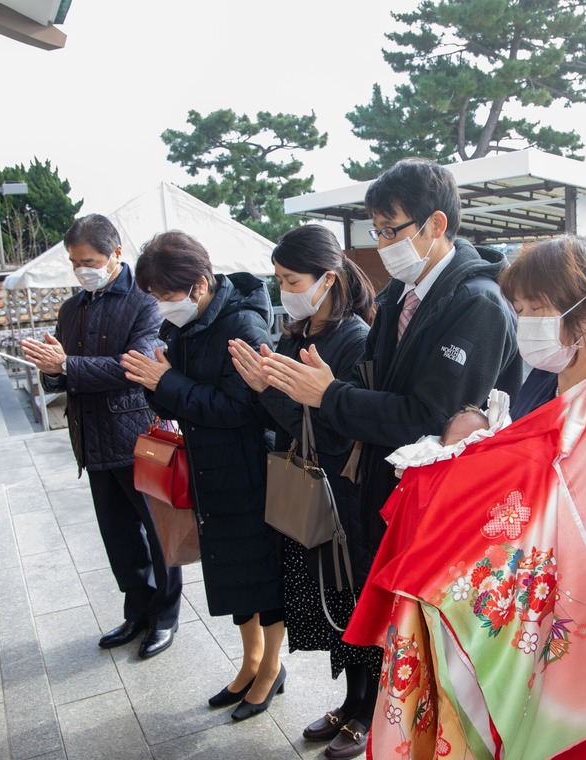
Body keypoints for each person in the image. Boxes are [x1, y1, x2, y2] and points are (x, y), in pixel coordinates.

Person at [345, 235, 586, 759]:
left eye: (537, 308)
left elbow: (582, 527)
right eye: (519, 309)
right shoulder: (552, 380)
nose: (524, 322)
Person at [260, 157, 522, 758]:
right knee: (367, 602)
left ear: (435, 224)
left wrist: (329, 395)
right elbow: (378, 387)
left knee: (415, 623)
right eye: (375, 232)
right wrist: (329, 388)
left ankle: (395, 721)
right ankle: (364, 705)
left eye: (390, 230)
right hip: (379, 485)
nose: (381, 246)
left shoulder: (478, 304)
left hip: (439, 504)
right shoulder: (402, 291)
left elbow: (429, 419)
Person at [228, 224, 382, 759]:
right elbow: (292, 420)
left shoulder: (355, 337)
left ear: (328, 279)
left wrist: (270, 391)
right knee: (335, 603)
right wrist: (261, 388)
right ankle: (350, 700)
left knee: (357, 600)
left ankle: (370, 711)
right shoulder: (297, 331)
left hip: (346, 495)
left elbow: (336, 431)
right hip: (314, 491)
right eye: (280, 279)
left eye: (292, 279)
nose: (284, 290)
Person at [118, 231, 284, 721]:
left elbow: (238, 408)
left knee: (261, 574)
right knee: (231, 573)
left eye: (167, 296)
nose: (163, 308)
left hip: (249, 469)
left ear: (200, 284)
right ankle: (250, 659)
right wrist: (157, 382)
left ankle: (272, 667)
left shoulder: (243, 325)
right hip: (210, 468)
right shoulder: (183, 325)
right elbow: (175, 393)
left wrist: (166, 381)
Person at [21, 214, 182, 659]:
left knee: (158, 532)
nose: (81, 269)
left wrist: (66, 367)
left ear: (116, 254)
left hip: (139, 435)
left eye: (89, 260)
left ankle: (165, 617)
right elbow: (62, 370)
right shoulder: (73, 307)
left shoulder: (145, 301)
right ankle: (138, 610)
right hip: (91, 438)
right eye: (74, 262)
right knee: (118, 536)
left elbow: (134, 368)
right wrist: (51, 369)